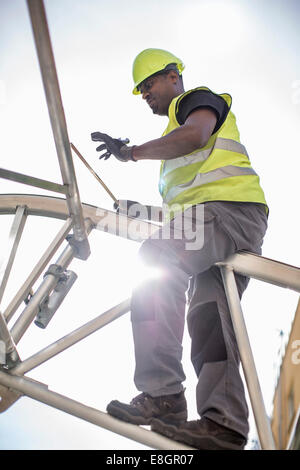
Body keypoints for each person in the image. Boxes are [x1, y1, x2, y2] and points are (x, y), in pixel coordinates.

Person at [91, 48, 268, 450]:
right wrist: (134, 209)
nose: (144, 95)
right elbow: (183, 211)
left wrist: (130, 153)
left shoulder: (195, 102)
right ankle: (224, 425)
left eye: (148, 84)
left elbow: (195, 136)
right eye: (140, 91)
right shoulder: (174, 148)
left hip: (227, 213)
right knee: (209, 320)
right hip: (222, 222)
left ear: (173, 77)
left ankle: (163, 394)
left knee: (156, 258)